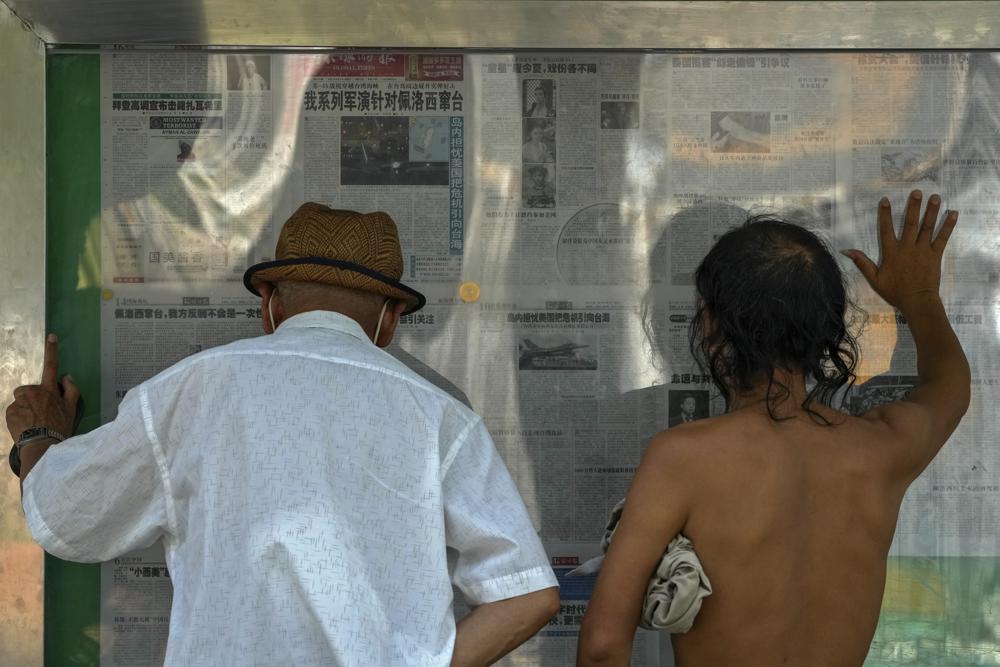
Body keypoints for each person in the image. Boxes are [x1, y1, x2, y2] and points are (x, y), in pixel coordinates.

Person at [7, 203, 559, 666]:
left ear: (269, 302)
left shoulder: (188, 390)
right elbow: (529, 594)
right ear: (389, 320)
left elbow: (66, 513)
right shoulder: (442, 417)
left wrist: (38, 432)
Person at [577, 191, 969, 666]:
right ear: (828, 330)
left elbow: (602, 648)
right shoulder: (883, 448)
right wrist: (920, 297)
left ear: (711, 325)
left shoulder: (682, 458)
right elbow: (949, 385)